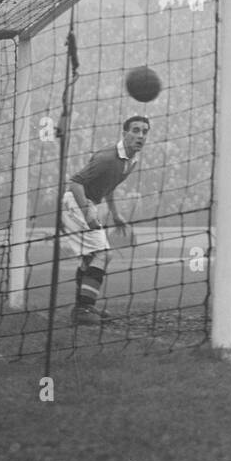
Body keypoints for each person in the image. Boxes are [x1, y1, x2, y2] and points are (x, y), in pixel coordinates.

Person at [61, 115, 149, 325]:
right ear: (124, 133)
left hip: (86, 203)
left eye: (145, 132)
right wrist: (87, 211)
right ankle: (84, 308)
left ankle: (82, 306)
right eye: (135, 130)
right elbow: (74, 182)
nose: (140, 135)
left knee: (90, 258)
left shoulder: (132, 161)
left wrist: (115, 213)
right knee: (103, 255)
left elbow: (109, 186)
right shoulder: (108, 158)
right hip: (76, 202)